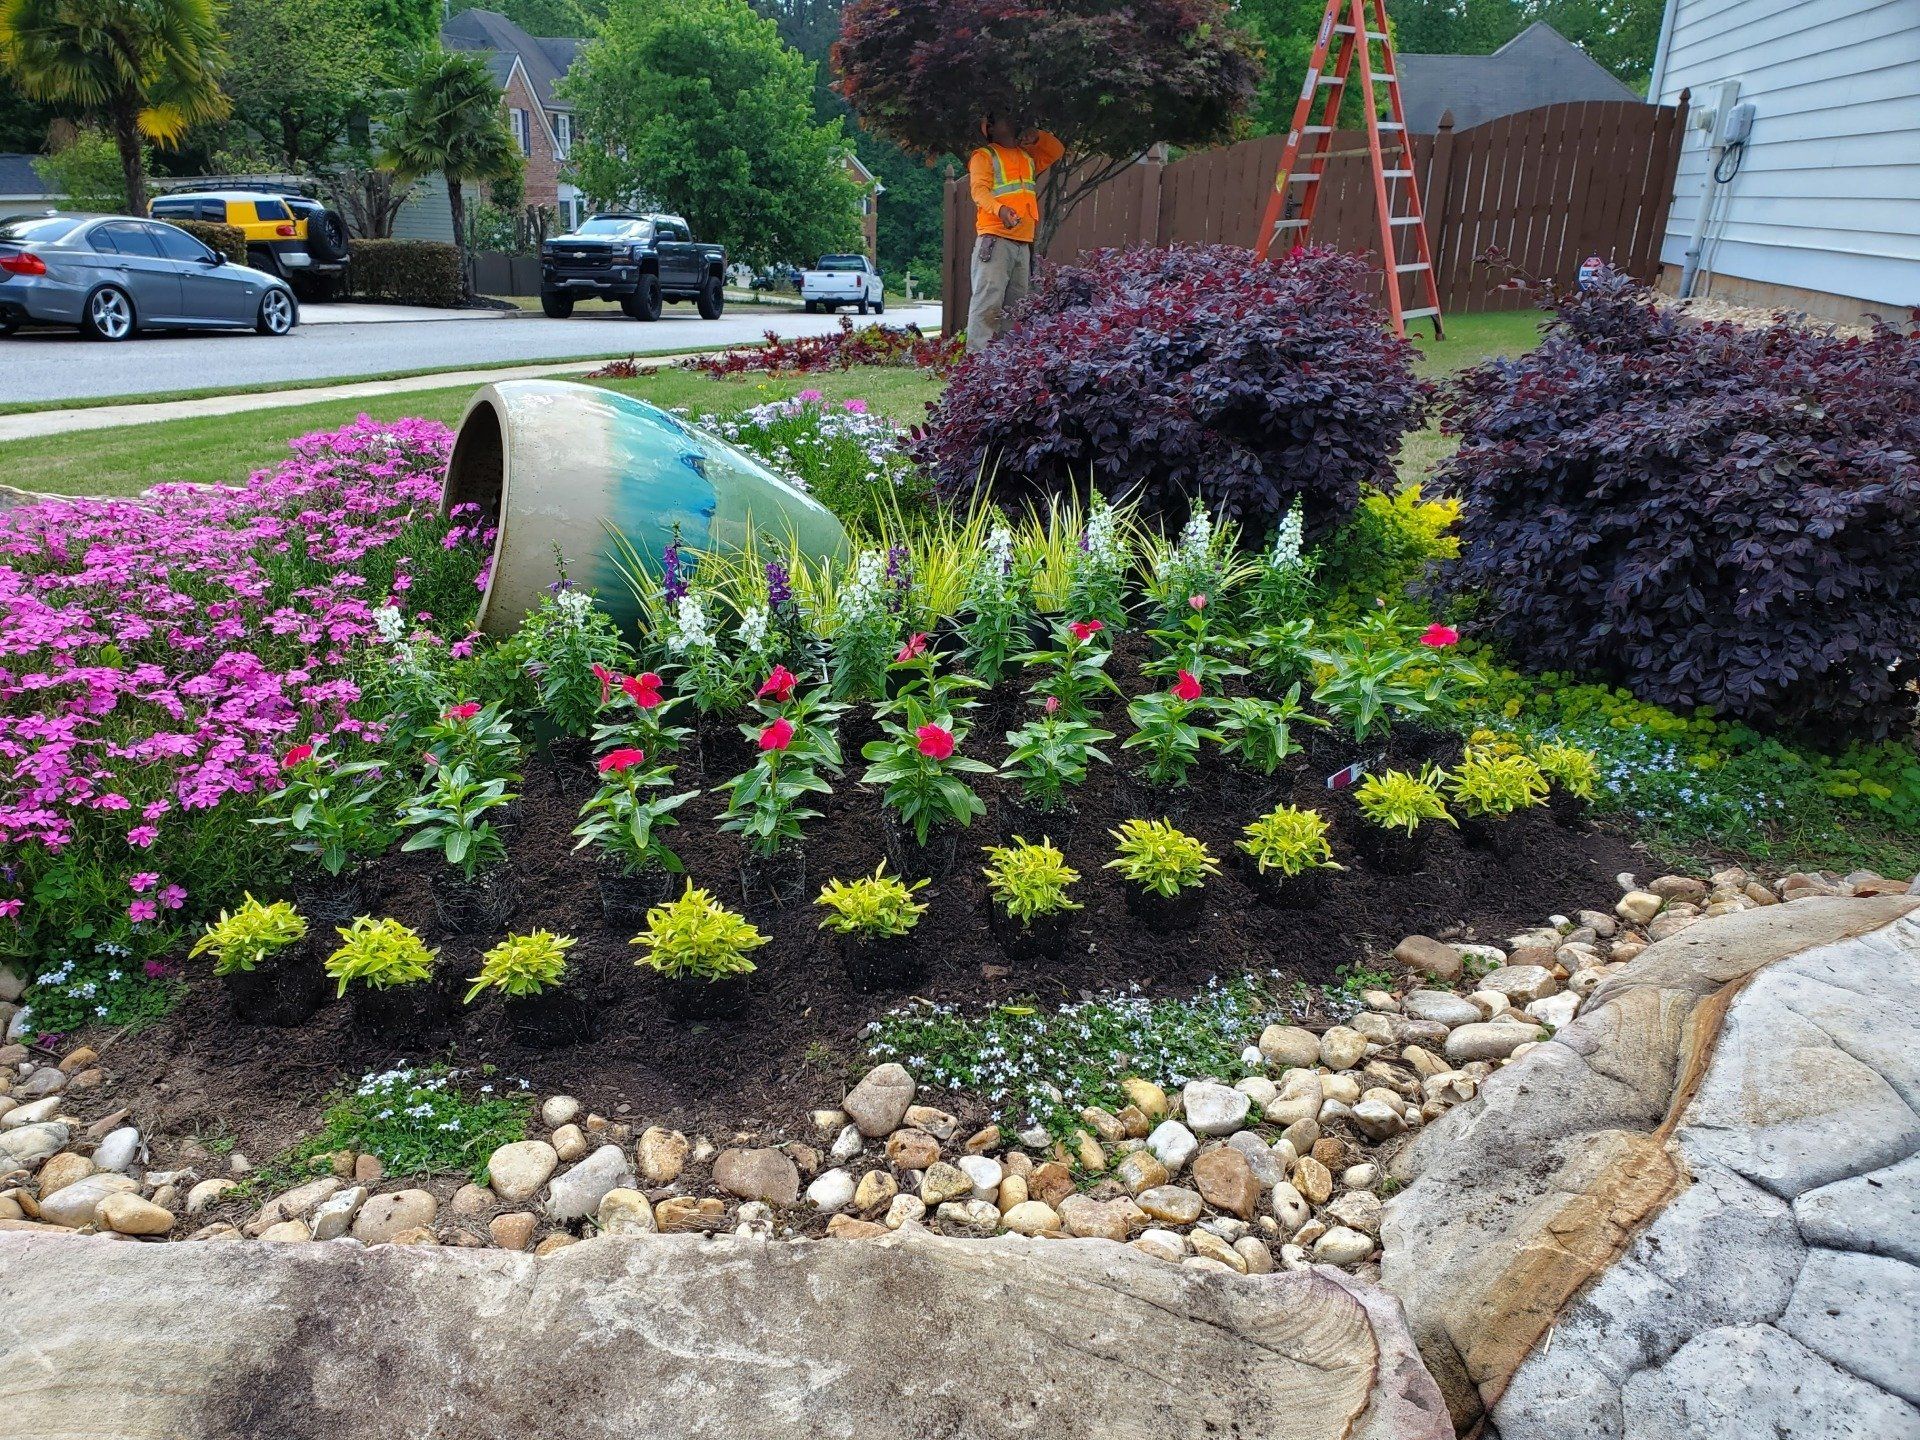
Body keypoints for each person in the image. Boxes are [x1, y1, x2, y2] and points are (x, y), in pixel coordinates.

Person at [964, 115, 1064, 352]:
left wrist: (1037, 136)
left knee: (1016, 309)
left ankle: (1007, 361)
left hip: (1022, 243)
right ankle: (977, 362)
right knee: (988, 304)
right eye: (1004, 118)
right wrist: (1000, 210)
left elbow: (1056, 150)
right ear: (990, 128)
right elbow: (979, 192)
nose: (1011, 121)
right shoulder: (984, 156)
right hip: (995, 239)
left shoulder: (1026, 156)